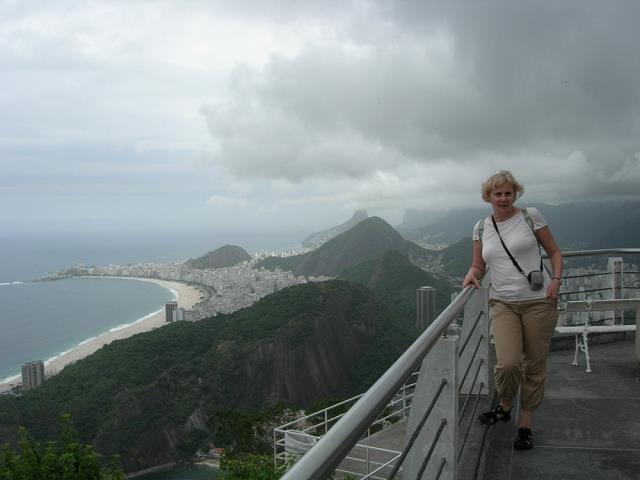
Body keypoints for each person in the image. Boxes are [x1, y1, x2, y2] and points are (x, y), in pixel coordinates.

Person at [463, 170, 563, 451]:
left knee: (534, 365)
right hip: (503, 303)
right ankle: (506, 405)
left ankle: (525, 424)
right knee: (507, 364)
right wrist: (472, 274)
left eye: (508, 193)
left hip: (538, 303)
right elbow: (479, 265)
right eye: (498, 194)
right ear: (489, 197)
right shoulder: (481, 228)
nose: (503, 198)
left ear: (515, 194)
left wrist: (555, 280)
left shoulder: (530, 217)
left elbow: (554, 252)